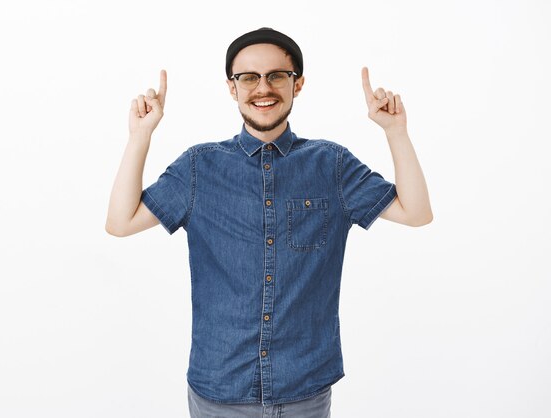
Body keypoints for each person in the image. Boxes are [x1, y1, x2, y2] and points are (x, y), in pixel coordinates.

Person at [106, 27, 432, 418]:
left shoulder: (331, 165)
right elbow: (120, 222)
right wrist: (140, 135)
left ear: (298, 83)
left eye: (278, 75)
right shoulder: (199, 167)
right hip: (219, 389)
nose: (264, 88)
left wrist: (396, 132)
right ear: (232, 87)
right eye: (249, 77)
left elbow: (416, 213)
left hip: (304, 390)